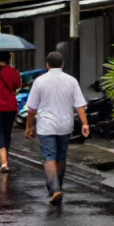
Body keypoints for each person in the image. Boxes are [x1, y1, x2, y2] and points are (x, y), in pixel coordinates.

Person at [24, 51, 88, 205]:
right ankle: (58, 187)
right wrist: (85, 123)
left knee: (49, 156)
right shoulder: (71, 80)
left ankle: (54, 189)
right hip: (65, 125)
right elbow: (79, 105)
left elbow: (31, 109)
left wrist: (29, 126)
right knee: (61, 156)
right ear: (62, 64)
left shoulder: (39, 81)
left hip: (46, 125)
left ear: (47, 65)